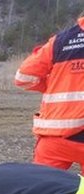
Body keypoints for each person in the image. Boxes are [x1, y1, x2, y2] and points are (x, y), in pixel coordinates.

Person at [14, 14, 84, 175]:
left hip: (54, 137)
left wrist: (53, 86)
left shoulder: (60, 41)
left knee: (40, 193)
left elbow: (23, 77)